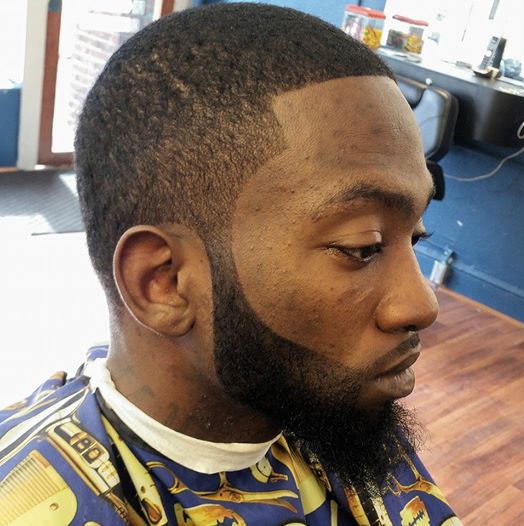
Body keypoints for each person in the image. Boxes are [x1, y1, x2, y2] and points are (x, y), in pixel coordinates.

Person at [0, 4, 462, 525]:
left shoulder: (333, 407)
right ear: (164, 283)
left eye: (416, 235)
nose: (422, 306)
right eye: (363, 246)